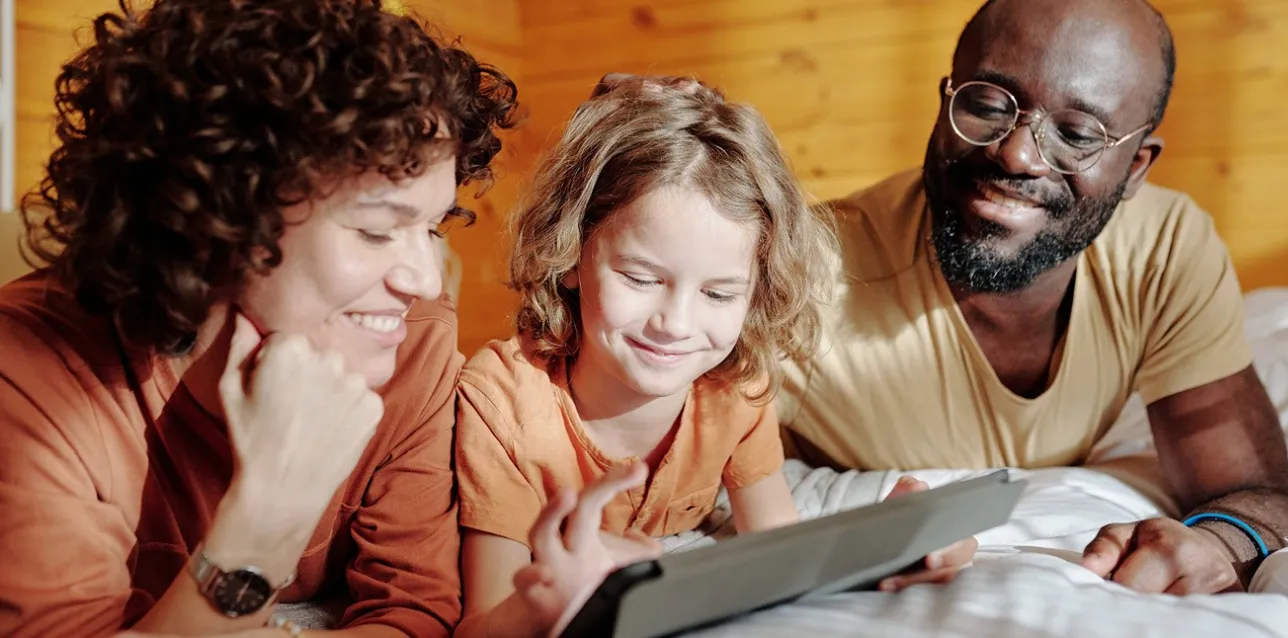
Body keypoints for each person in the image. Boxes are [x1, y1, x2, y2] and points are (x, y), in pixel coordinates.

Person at [0, 0, 517, 635]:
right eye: (378, 231)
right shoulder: (30, 370)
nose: (425, 280)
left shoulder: (413, 341)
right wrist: (268, 514)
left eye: (432, 226)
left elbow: (412, 613)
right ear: (213, 221)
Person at [777, 0, 1288, 596]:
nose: (1016, 154)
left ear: (1135, 168)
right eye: (984, 104)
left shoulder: (1162, 250)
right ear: (944, 102)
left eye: (1077, 134)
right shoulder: (805, 272)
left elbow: (1258, 500)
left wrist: (1217, 542)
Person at [450, 75, 976, 637]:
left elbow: (777, 549)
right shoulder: (500, 407)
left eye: (719, 294)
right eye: (640, 277)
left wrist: (889, 550)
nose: (675, 324)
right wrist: (555, 601)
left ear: (755, 292)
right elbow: (483, 624)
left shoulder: (734, 390)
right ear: (572, 255)